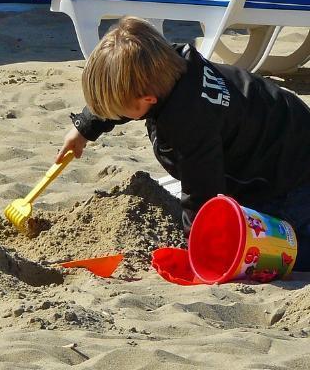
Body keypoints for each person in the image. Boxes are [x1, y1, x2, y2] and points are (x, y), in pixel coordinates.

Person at [56, 16, 310, 271]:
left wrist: (196, 251)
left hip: (290, 173)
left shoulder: (189, 123)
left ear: (148, 100)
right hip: (283, 127)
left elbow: (201, 192)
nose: (112, 113)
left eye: (115, 109)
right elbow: (124, 94)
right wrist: (84, 128)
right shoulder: (170, 64)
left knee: (277, 251)